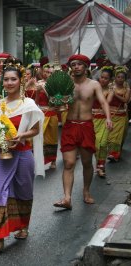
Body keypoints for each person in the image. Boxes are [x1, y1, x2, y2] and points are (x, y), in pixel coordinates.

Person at [0, 61, 44, 252]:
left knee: (23, 193)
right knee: (1, 193)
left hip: (23, 154)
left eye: (14, 79)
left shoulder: (28, 104)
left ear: (21, 81)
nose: (9, 82)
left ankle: (23, 226)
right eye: (6, 79)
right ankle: (0, 238)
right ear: (2, 82)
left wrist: (21, 135)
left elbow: (36, 130)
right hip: (1, 155)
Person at [53, 54, 112, 210]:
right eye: (73, 64)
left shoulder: (94, 85)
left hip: (86, 126)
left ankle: (86, 191)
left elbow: (104, 102)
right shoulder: (66, 84)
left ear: (86, 67)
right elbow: (56, 101)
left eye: (79, 64)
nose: (76, 67)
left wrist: (108, 118)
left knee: (86, 162)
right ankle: (67, 198)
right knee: (69, 162)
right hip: (70, 126)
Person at [35, 63, 58, 169]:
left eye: (50, 73)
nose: (48, 74)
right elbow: (36, 101)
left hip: (52, 113)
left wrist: (44, 89)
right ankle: (39, 159)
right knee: (39, 138)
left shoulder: (56, 85)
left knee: (52, 138)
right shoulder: (39, 83)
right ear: (42, 72)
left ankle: (53, 160)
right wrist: (37, 92)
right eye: (46, 72)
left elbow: (55, 101)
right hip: (41, 113)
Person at [93, 67, 114, 178]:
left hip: (104, 119)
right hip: (92, 120)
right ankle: (98, 164)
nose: (103, 80)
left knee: (103, 143)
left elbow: (106, 103)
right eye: (102, 77)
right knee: (96, 144)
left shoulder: (110, 91)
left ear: (110, 80)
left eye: (106, 78)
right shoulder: (93, 88)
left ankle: (101, 167)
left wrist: (108, 119)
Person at [107, 66, 130, 162]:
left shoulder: (127, 90)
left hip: (121, 116)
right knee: (110, 135)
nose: (120, 79)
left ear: (125, 79)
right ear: (115, 77)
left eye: (122, 77)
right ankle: (112, 152)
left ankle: (114, 155)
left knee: (118, 136)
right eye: (118, 77)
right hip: (110, 115)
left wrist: (115, 94)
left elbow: (126, 100)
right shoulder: (109, 86)